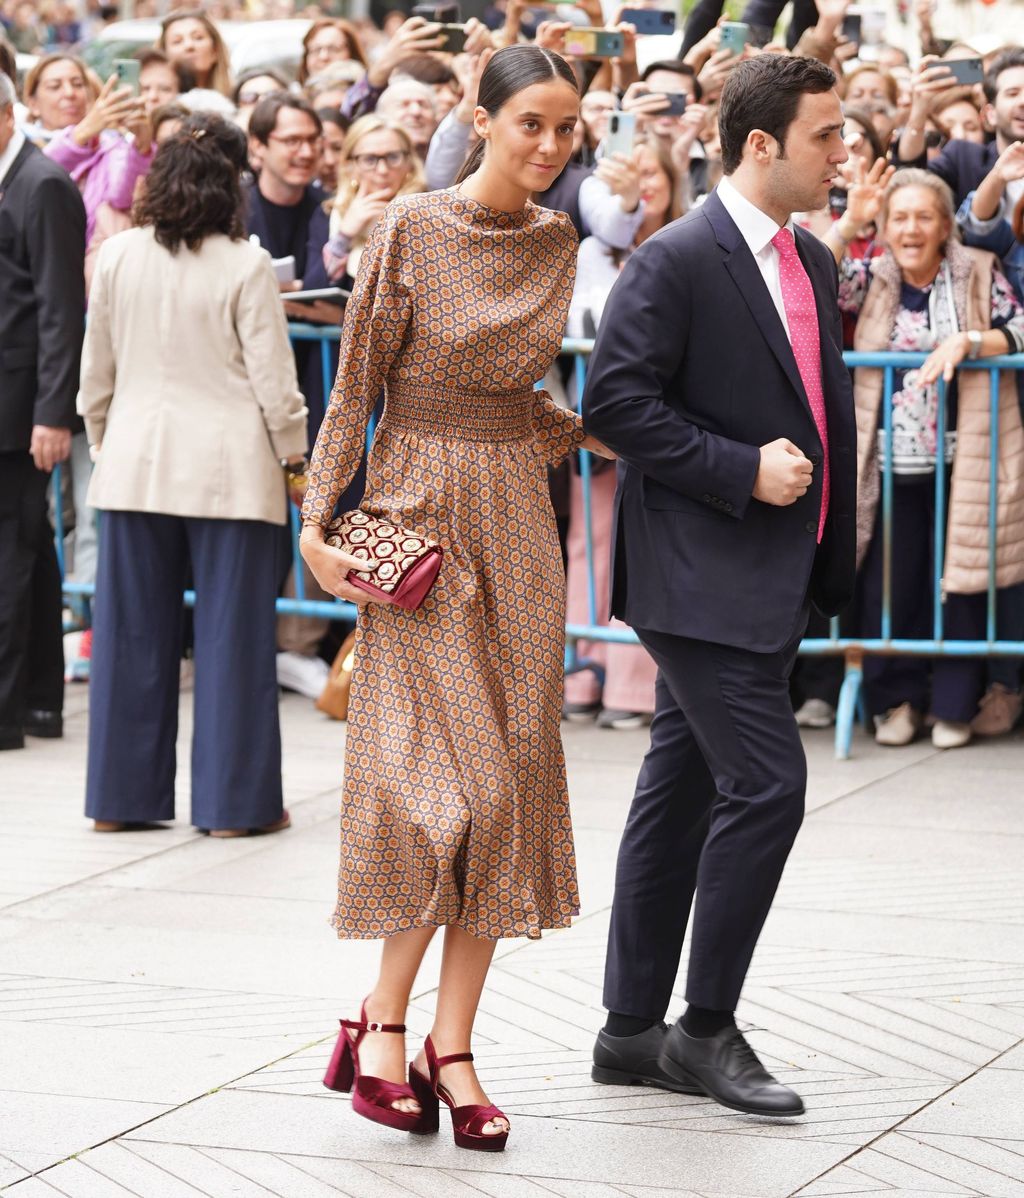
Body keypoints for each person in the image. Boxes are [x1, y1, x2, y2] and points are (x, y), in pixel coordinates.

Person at [299, 43, 611, 1152]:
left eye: (567, 128)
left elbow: (523, 404)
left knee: (512, 787)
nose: (549, 144)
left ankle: (450, 1043)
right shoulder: (408, 228)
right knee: (459, 794)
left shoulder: (558, 241)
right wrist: (318, 518)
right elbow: (357, 388)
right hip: (419, 521)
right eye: (530, 121)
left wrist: (626, 436)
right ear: (481, 119)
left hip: (518, 529)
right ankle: (383, 1021)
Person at [583, 53, 856, 1117]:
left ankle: (627, 1029)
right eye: (825, 136)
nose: (843, 152)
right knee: (768, 786)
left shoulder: (814, 258)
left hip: (770, 576)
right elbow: (615, 404)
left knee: (682, 790)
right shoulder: (677, 259)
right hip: (697, 576)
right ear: (760, 144)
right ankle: (703, 1030)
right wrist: (741, 469)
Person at [78, 113, 308, 834]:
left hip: (134, 464)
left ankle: (121, 801)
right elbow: (275, 382)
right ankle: (235, 807)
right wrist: (295, 456)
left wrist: (106, 441)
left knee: (130, 641)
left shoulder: (116, 257)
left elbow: (96, 378)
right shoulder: (244, 262)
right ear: (229, 184)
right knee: (234, 643)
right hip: (231, 469)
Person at [831, 167, 1024, 749]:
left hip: (966, 458)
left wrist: (970, 341)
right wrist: (849, 223)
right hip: (888, 463)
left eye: (924, 217)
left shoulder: (977, 272)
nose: (911, 229)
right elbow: (806, 277)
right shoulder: (871, 277)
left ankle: (953, 707)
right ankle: (896, 702)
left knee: (961, 581)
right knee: (893, 585)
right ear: (885, 228)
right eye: (899, 218)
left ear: (946, 226)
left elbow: (1019, 324)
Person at [564, 139, 681, 729]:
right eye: (630, 172)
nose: (644, 181)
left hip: (666, 424)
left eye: (653, 169)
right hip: (600, 426)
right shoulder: (592, 251)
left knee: (646, 549)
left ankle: (636, 688)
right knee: (591, 543)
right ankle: (582, 674)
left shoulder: (693, 242)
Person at [0, 71, 86, 752]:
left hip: (24, 406)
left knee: (12, 556)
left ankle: (8, 711)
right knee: (28, 553)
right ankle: (38, 702)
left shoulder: (43, 183)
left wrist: (53, 413)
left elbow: (61, 309)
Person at [244, 93, 340, 699]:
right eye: (290, 140)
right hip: (242, 391)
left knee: (312, 510)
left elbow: (337, 300)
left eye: (313, 139)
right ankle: (247, 640)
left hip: (313, 388)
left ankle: (298, 645)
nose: (306, 151)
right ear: (257, 148)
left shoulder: (327, 208)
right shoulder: (234, 206)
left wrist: (282, 295)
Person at [322, 114, 425, 284]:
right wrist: (344, 236)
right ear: (350, 166)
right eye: (370, 159)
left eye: (393, 157)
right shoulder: (330, 211)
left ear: (409, 162)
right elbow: (314, 286)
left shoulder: (429, 211)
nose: (383, 170)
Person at [20, 54, 94, 145]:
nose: (69, 93)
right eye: (55, 86)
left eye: (77, 84)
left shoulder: (107, 141)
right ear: (33, 104)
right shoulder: (19, 144)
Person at [158, 9, 233, 98]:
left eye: (198, 38)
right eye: (177, 41)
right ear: (164, 55)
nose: (189, 46)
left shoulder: (239, 100)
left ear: (215, 50)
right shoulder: (150, 103)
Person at [298, 17, 368, 86]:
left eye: (333, 49)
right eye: (316, 49)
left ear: (352, 53)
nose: (323, 56)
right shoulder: (295, 93)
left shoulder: (365, 93)